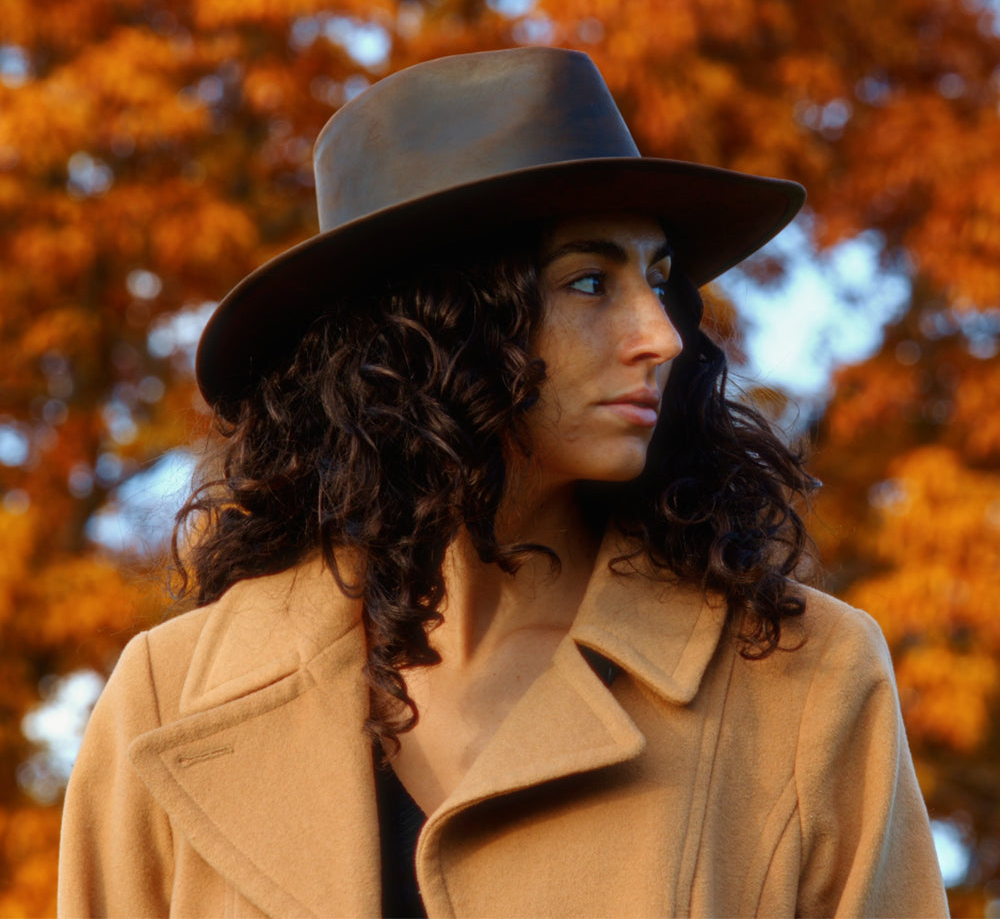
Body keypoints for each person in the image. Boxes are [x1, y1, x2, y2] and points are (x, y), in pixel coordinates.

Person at [58, 47, 949, 917]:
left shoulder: (806, 683)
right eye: (591, 281)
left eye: (661, 279)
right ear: (428, 333)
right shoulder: (167, 699)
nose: (663, 335)